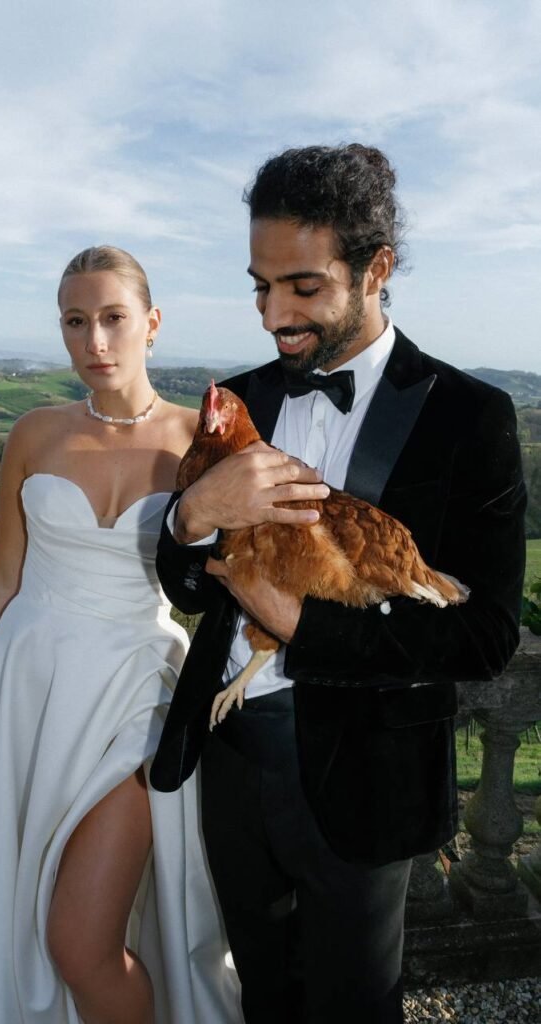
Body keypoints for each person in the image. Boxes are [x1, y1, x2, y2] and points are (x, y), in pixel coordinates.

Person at [150, 144, 526, 1024]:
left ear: (376, 269)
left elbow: (485, 636)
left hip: (370, 772)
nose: (274, 314)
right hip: (233, 755)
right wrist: (190, 514)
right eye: (260, 285)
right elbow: (182, 584)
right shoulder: (236, 401)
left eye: (304, 288)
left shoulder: (470, 416)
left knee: (355, 1008)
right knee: (265, 1002)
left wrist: (305, 627)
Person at [0, 246, 240, 1024]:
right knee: (15, 904)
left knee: (79, 944)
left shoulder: (201, 443)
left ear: (152, 325)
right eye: (75, 323)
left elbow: (221, 583)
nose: (96, 342)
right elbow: (1, 577)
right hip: (27, 689)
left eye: (114, 319)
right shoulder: (34, 431)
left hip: (136, 694)